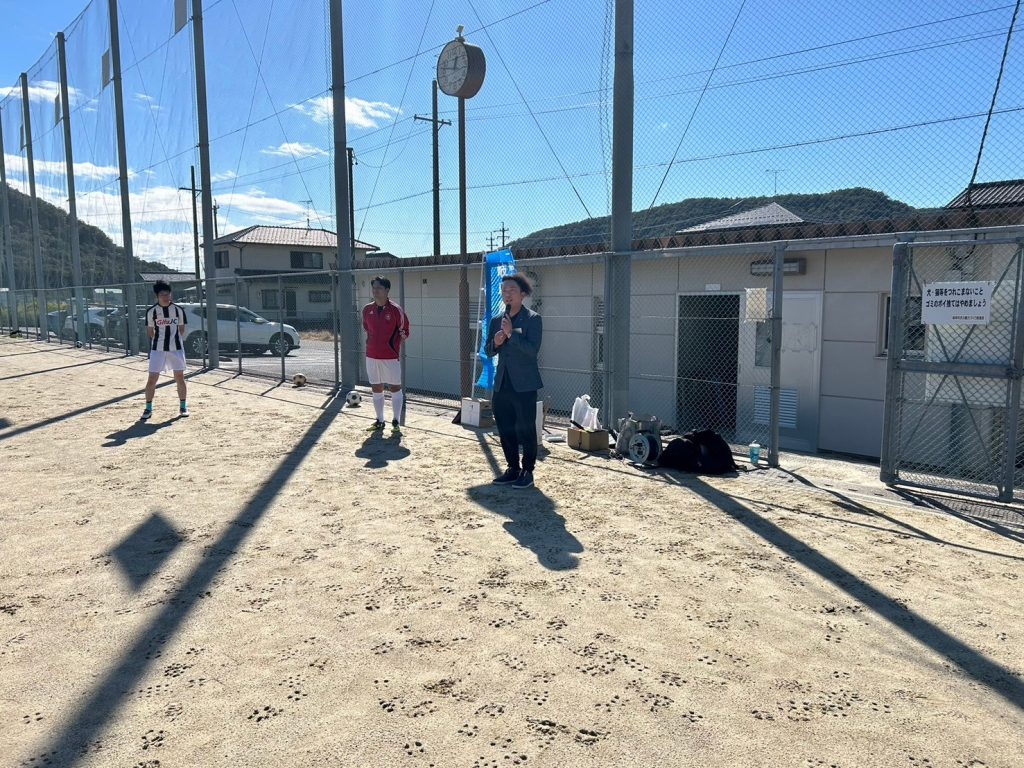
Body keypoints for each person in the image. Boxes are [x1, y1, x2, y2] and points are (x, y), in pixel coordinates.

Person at [485, 273, 543, 489]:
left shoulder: (533, 319)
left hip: (525, 384)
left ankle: (528, 471)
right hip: (503, 383)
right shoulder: (496, 320)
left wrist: (511, 335)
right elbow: (488, 351)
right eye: (504, 291)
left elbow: (532, 350)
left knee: (526, 429)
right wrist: (496, 342)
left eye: (512, 290)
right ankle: (512, 468)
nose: (507, 294)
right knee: (505, 427)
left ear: (523, 294)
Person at [362, 275, 410, 434]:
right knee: (376, 387)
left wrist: (394, 344)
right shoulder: (367, 309)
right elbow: (367, 328)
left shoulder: (396, 310)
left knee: (395, 387)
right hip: (371, 355)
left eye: (379, 288)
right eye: (374, 288)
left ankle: (396, 421)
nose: (375, 291)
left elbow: (405, 331)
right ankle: (380, 420)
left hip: (390, 356)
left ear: (387, 290)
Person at [142, 280, 189, 420]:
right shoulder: (151, 312)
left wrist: (172, 341)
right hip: (158, 349)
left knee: (179, 377)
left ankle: (183, 406)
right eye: (162, 294)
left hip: (176, 349)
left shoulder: (178, 310)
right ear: (157, 296)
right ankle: (148, 408)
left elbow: (181, 330)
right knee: (152, 378)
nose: (166, 297)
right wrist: (161, 341)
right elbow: (150, 332)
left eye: (168, 294)